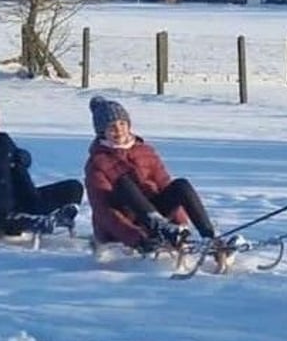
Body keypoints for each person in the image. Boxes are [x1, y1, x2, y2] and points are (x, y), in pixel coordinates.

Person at [84, 96, 217, 251]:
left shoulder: (145, 151)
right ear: (102, 132)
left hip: (156, 214)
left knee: (181, 185)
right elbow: (103, 211)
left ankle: (209, 237)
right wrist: (136, 238)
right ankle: (160, 227)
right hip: (123, 227)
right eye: (112, 127)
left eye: (122, 124)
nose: (119, 130)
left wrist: (180, 226)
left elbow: (164, 184)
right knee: (124, 183)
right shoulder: (97, 162)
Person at [0, 99, 84, 236]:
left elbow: (21, 160)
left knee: (74, 187)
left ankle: (61, 218)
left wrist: (22, 157)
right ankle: (25, 222)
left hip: (19, 201)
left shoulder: (3, 141)